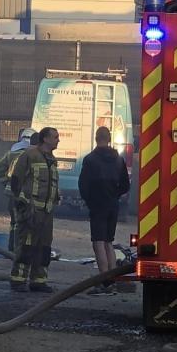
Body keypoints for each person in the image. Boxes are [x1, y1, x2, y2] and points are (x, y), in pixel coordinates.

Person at [78, 126, 130, 295]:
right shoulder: (118, 160)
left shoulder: (90, 159)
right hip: (113, 204)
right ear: (109, 139)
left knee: (98, 242)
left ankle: (103, 282)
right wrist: (114, 195)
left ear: (96, 138)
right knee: (108, 242)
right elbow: (125, 185)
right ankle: (112, 280)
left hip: (97, 205)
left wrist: (89, 200)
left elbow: (83, 185)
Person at [9, 127, 60, 292]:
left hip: (46, 214)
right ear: (45, 139)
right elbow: (16, 180)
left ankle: (39, 280)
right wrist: (22, 204)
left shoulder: (52, 159)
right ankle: (18, 280)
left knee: (44, 247)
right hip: (31, 211)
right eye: (55, 137)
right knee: (26, 245)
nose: (58, 140)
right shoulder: (29, 155)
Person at [0, 128, 37, 252]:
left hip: (13, 194)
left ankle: (12, 248)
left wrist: (5, 182)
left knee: (14, 222)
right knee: (28, 222)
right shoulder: (35, 156)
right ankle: (23, 249)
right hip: (29, 195)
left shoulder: (11, 154)